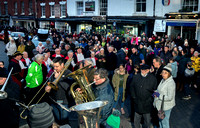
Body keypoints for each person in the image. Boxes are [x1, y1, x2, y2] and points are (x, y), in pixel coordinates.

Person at [45, 57, 73, 125]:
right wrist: (47, 88)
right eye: (54, 66)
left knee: (64, 122)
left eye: (57, 66)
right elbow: (50, 83)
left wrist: (58, 79)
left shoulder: (68, 73)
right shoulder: (54, 72)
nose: (55, 68)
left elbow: (68, 88)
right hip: (54, 101)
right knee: (57, 122)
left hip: (64, 102)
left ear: (62, 65)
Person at [153, 63, 176, 128]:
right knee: (160, 121)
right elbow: (159, 89)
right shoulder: (163, 80)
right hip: (160, 105)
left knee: (165, 123)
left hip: (166, 106)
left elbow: (170, 97)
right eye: (162, 72)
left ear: (169, 74)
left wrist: (158, 95)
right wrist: (155, 92)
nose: (163, 74)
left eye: (165, 73)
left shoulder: (171, 83)